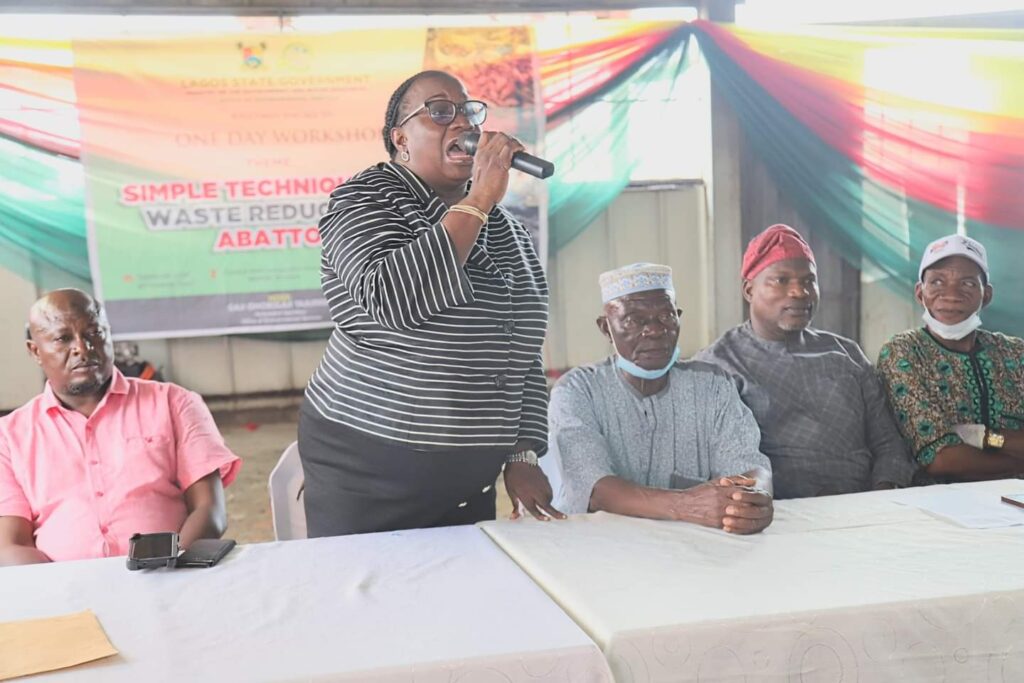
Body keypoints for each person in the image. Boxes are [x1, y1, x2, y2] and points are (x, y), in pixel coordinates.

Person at [299, 70, 562, 537]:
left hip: (467, 483)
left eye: (469, 112)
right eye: (440, 112)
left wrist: (521, 453)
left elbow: (520, 350)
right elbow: (394, 298)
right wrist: (480, 197)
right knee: (373, 604)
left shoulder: (504, 229)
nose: (463, 123)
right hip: (368, 478)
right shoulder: (364, 200)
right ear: (400, 137)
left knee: (457, 605)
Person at [0, 289, 240, 566]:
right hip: (66, 590)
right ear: (35, 351)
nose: (82, 347)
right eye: (63, 338)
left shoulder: (175, 403)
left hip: (166, 576)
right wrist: (64, 594)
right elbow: (11, 543)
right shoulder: (9, 436)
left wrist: (171, 570)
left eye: (94, 333)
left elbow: (209, 510)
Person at [543, 264, 773, 534]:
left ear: (678, 318)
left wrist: (751, 500)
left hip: (693, 549)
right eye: (633, 320)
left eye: (665, 316)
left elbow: (750, 468)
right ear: (606, 328)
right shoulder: (577, 390)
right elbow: (595, 489)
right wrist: (685, 505)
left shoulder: (713, 385)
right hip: (599, 547)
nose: (654, 330)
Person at [696, 224, 916, 498]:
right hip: (774, 518)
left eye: (808, 281)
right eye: (781, 280)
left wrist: (881, 497)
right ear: (749, 290)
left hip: (862, 509)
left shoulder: (846, 353)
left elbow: (888, 444)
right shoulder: (718, 365)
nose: (799, 292)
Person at [877, 234, 1024, 481]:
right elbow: (941, 459)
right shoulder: (904, 353)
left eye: (967, 284)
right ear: (919, 293)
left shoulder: (1015, 353)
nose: (951, 294)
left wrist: (985, 437)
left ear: (986, 295)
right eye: (936, 282)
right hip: (942, 504)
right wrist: (1015, 457)